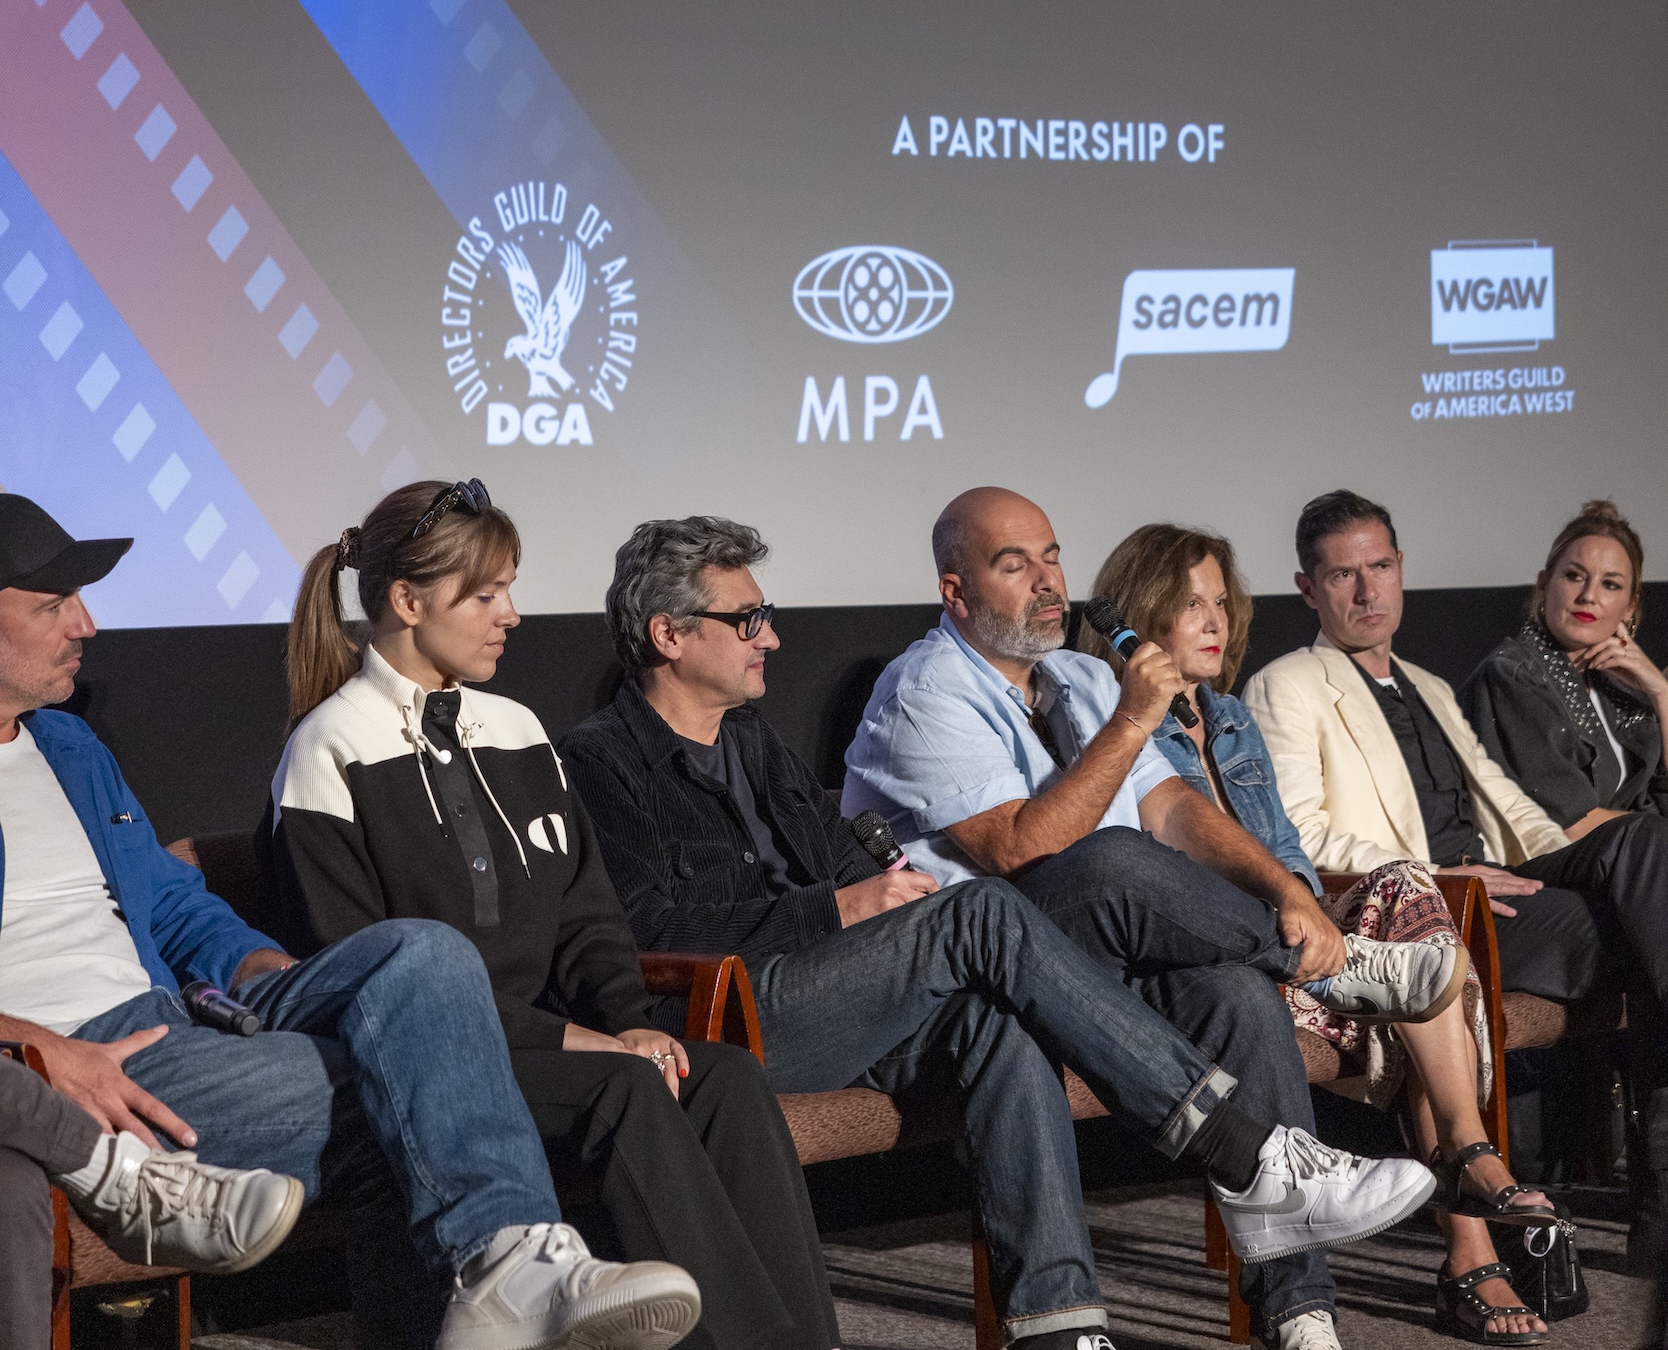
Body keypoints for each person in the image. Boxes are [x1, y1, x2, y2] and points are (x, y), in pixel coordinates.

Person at [564, 515, 1440, 1350]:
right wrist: (833, 910)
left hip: (853, 990)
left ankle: (1062, 1323)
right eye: (747, 618)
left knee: (1007, 1028)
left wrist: (878, 894)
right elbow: (641, 924)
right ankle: (1254, 1146)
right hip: (734, 1015)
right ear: (670, 633)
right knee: (1002, 900)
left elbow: (844, 865)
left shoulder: (751, 739)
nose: (772, 637)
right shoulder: (601, 758)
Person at [0, 491, 699, 1350]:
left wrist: (258, 968)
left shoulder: (68, 746)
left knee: (425, 952)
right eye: (51, 604)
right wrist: (35, 1045)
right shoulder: (336, 741)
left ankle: (510, 1259)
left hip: (179, 1020)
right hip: (73, 1052)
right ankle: (503, 1260)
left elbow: (170, 902)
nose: (87, 624)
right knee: (408, 1099)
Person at [840, 487, 1459, 1350]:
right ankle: (1340, 968)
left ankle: (1299, 1310)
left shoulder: (1086, 676)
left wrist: (1288, 895)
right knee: (1108, 858)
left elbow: (1178, 812)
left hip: (1097, 962)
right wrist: (1135, 719)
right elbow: (1022, 848)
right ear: (957, 591)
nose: (1047, 580)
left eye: (1051, 555)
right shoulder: (924, 690)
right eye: (1013, 564)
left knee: (1235, 994)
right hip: (983, 974)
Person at [261, 479, 836, 1350]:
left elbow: (590, 917)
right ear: (407, 602)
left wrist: (629, 1021)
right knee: (624, 1084)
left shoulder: (517, 728)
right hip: (427, 1072)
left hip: (544, 1049)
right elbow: (373, 986)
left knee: (721, 1075)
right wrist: (596, 1045)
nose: (512, 614)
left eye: (509, 588)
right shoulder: (329, 748)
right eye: (486, 594)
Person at [1086, 522, 1559, 1341]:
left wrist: (1307, 913)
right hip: (1206, 967)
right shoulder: (1109, 718)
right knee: (1423, 981)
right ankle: (1469, 1217)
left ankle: (1466, 1151)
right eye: (1187, 604)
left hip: (1295, 951)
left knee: (1412, 900)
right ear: (1140, 621)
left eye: (1219, 602)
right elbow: (1149, 881)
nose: (1213, 620)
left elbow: (1286, 855)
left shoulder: (1229, 717)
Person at [1244, 487, 1668, 1273]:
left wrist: (1576, 868)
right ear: (1309, 588)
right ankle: (1656, 1212)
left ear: (1402, 567)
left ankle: (1657, 1213)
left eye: (1379, 566)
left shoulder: (1430, 685)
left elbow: (1517, 813)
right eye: (1343, 576)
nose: (1368, 591)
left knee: (1642, 854)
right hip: (1430, 912)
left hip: (1502, 886)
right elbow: (1301, 839)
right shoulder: (1287, 684)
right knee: (1648, 927)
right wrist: (1443, 875)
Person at [0, 1042, 303, 1347]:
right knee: (13, 1180)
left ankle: (111, 1173)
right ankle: (114, 1178)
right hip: (59, 1051)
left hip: (166, 1020)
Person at [1462, 501, 1668, 833]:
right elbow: (1572, 823)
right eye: (1574, 576)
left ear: (1630, 606)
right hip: (1544, 867)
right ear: (1545, 584)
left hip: (1626, 863)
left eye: (1610, 584)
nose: (1589, 595)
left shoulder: (1621, 687)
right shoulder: (1511, 675)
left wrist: (1661, 692)